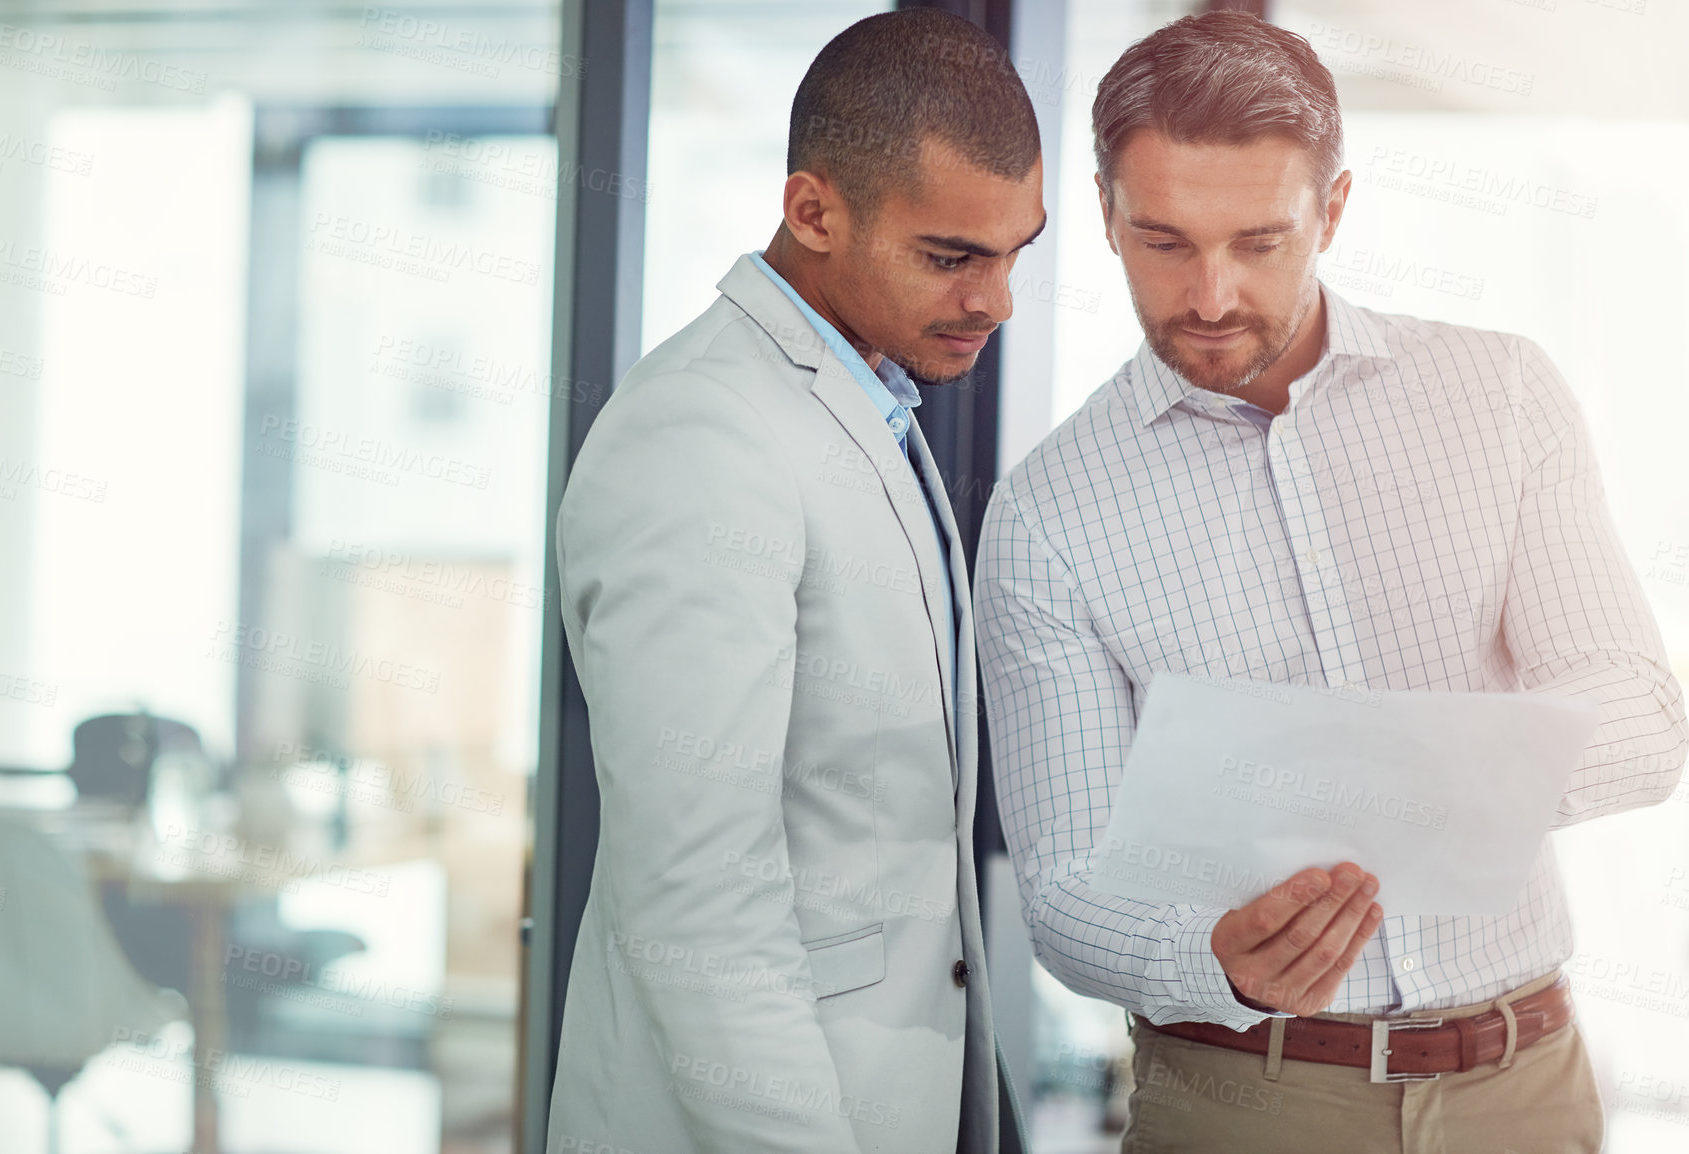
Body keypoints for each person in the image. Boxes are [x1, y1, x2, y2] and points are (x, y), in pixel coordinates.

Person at [974, 11, 1686, 1153]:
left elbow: (1645, 720)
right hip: (1243, 1099)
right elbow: (1064, 885)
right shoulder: (1050, 513)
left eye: (1259, 240)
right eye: (1163, 240)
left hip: (1525, 1090)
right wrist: (1207, 956)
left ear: (1335, 211)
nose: (1208, 294)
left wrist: (1393, 786)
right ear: (1104, 214)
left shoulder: (1502, 395)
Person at [545, 10, 1045, 1153]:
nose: (997, 300)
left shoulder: (866, 395)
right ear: (812, 210)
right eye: (952, 256)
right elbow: (699, 900)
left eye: (1016, 250)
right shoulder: (703, 435)